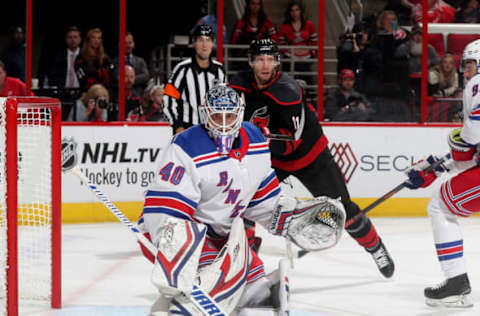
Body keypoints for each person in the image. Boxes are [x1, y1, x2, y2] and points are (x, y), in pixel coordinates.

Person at [137, 83, 346, 315]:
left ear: (240, 114)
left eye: (230, 115)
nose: (224, 123)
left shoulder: (255, 141)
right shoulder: (186, 147)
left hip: (222, 236)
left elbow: (262, 199)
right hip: (178, 234)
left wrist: (289, 219)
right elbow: (165, 210)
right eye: (217, 116)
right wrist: (177, 251)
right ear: (206, 116)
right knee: (215, 285)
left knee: (256, 286)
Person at [230, 39, 395, 278]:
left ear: (277, 62)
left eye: (269, 60)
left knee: (344, 209)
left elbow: (291, 142)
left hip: (309, 156)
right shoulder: (238, 85)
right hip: (269, 159)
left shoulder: (288, 91)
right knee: (243, 203)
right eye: (259, 60)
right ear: (251, 62)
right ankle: (245, 258)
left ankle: (376, 248)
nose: (265, 65)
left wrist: (258, 139)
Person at [404, 39, 480, 308]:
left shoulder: (477, 86)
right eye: (466, 66)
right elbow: (472, 152)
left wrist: (457, 138)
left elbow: (473, 135)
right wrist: (440, 166)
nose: (466, 72)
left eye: (471, 64)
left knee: (440, 206)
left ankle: (456, 282)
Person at [163, 24, 225, 134]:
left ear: (213, 44)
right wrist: (177, 126)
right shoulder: (182, 69)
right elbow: (168, 98)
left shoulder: (219, 70)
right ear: (194, 43)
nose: (204, 45)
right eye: (200, 40)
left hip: (214, 131)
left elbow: (225, 101)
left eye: (208, 40)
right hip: (188, 129)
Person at [278, 0, 317, 84]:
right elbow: (280, 44)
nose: (294, 13)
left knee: (308, 82)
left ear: (301, 11)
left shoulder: (309, 25)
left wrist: (311, 52)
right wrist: (290, 51)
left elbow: (314, 41)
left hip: (305, 58)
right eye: (292, 10)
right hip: (291, 57)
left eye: (297, 10)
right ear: (289, 12)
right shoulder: (284, 27)